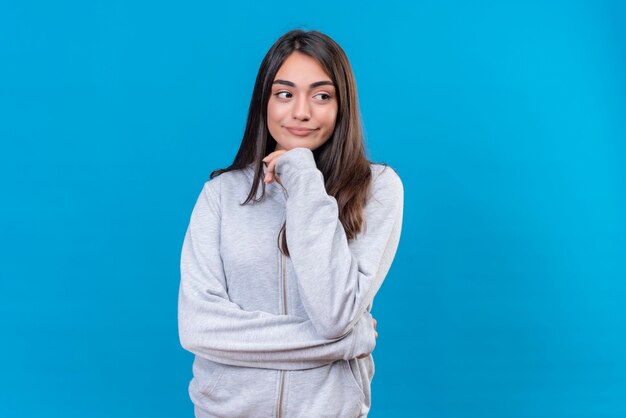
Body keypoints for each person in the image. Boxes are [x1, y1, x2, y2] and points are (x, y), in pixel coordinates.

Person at [178, 28, 404, 418]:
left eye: (321, 96)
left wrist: (300, 173)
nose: (301, 111)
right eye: (285, 94)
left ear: (341, 106)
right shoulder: (220, 195)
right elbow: (199, 328)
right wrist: (347, 341)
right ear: (263, 102)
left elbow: (333, 314)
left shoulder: (377, 188)